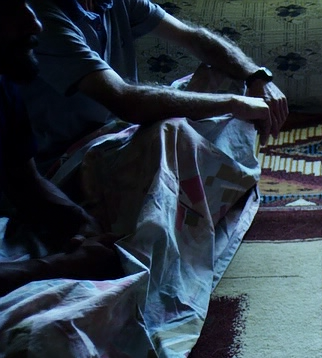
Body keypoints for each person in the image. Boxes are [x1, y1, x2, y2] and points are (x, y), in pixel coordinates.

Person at [21, 0, 289, 168]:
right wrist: (233, 104)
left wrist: (256, 76)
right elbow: (125, 100)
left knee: (221, 73)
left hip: (121, 133)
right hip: (67, 159)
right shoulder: (44, 18)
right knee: (172, 129)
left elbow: (195, 38)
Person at [0, 0, 123, 297]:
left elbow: (25, 182)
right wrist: (60, 266)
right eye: (9, 9)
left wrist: (83, 223)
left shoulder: (4, 88)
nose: (36, 24)